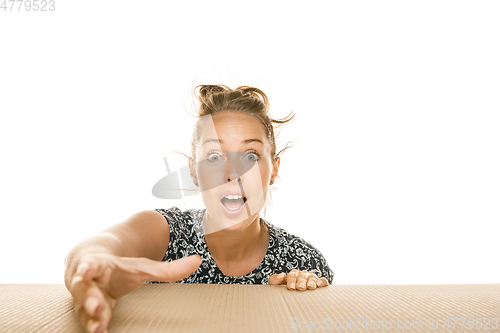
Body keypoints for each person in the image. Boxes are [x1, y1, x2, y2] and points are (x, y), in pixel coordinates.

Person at [64, 84, 334, 333]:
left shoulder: (304, 262)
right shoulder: (168, 234)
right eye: (214, 157)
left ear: (273, 169)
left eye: (250, 156)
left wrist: (305, 296)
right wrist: (92, 269)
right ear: (194, 171)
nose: (232, 174)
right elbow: (101, 246)